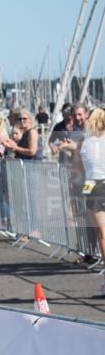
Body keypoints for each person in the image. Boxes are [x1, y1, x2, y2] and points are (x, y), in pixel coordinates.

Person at [72, 108, 105, 293]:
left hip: (93, 186)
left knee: (102, 233)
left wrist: (83, 194)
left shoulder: (83, 142)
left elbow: (77, 171)